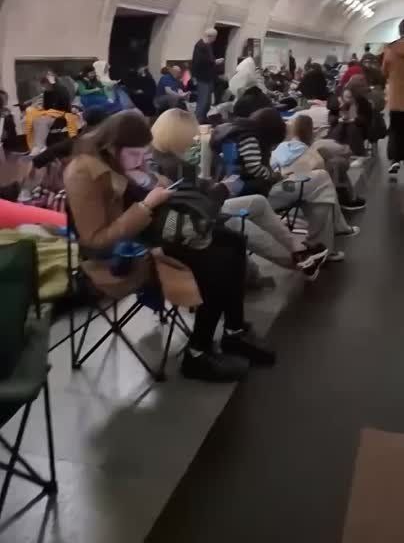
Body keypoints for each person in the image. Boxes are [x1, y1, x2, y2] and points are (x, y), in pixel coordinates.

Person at [64, 110, 275, 383]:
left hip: (148, 235)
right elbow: (95, 241)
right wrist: (145, 205)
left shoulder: (121, 160)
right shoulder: (84, 174)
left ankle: (234, 332)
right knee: (216, 260)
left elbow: (157, 188)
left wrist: (145, 179)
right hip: (118, 257)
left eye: (144, 154)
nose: (141, 160)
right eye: (135, 155)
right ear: (112, 146)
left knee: (233, 241)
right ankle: (197, 353)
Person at [151, 109, 328, 280]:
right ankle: (297, 261)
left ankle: (297, 249)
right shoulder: (174, 166)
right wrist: (223, 188)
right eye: (191, 137)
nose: (193, 141)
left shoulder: (168, 160)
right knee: (237, 221)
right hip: (198, 219)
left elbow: (195, 192)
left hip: (200, 213)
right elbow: (196, 204)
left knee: (257, 202)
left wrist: (216, 186)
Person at [212, 108, 359, 260]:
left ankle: (331, 235)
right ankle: (327, 239)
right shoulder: (251, 138)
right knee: (320, 181)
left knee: (319, 183)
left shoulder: (232, 132)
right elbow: (254, 168)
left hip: (240, 194)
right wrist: (274, 176)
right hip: (261, 192)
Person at [383, 19, 404, 175]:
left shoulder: (390, 49)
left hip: (397, 100)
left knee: (396, 131)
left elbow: (383, 72)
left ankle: (395, 160)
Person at [328, 83, 372, 157]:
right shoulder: (336, 103)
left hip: (358, 126)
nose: (349, 99)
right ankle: (334, 150)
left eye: (351, 97)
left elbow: (366, 118)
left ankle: (356, 152)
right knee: (340, 127)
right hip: (340, 126)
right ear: (342, 96)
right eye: (346, 97)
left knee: (352, 128)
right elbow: (331, 118)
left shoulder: (361, 103)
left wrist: (353, 120)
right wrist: (339, 119)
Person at [191, 28, 224, 123]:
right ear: (211, 36)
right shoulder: (200, 46)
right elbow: (199, 62)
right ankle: (197, 121)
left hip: (208, 78)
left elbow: (208, 60)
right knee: (203, 101)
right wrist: (215, 62)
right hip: (202, 78)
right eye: (215, 37)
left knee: (208, 101)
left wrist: (214, 62)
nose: (215, 39)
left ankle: (204, 119)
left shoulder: (207, 46)